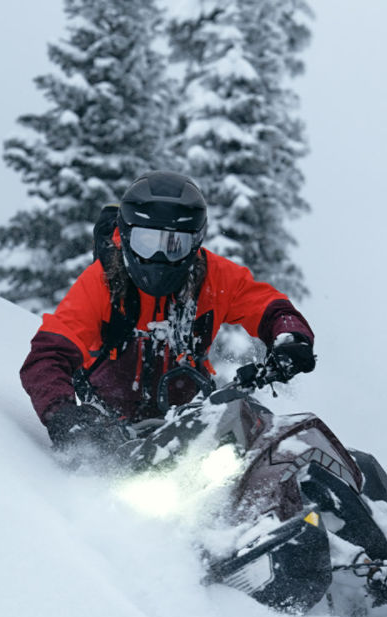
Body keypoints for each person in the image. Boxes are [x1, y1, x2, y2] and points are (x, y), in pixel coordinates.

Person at [20, 171, 316, 453]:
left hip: (190, 427)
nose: (159, 257)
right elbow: (48, 355)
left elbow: (269, 306)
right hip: (109, 431)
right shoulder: (102, 282)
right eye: (147, 242)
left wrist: (290, 337)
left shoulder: (215, 278)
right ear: (126, 235)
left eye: (175, 244)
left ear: (195, 242)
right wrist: (64, 415)